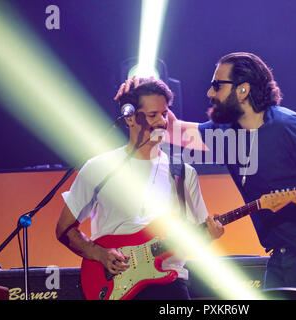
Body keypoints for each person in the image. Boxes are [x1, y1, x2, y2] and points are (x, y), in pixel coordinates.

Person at [116, 52, 296, 300]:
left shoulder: (290, 127)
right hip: (279, 258)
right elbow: (173, 129)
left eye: (217, 85)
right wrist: (141, 91)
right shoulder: (229, 134)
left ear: (243, 90)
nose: (210, 92)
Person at [56, 78, 224, 300]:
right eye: (153, 115)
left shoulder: (183, 172)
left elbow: (195, 234)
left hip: (170, 285)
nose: (162, 122)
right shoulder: (98, 167)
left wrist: (210, 234)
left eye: (165, 114)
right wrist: (99, 253)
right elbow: (64, 229)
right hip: (114, 281)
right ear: (130, 117)